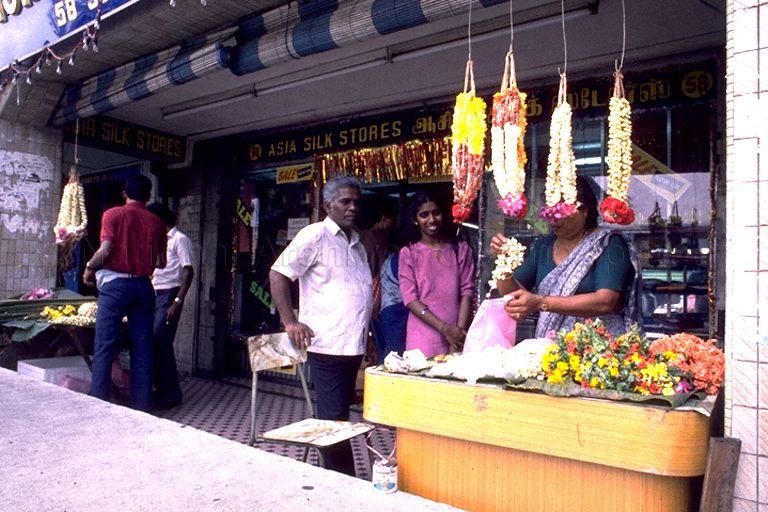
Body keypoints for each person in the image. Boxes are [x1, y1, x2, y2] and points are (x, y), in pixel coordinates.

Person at [269, 175, 372, 477]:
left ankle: (336, 478)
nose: (353, 207)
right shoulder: (315, 235)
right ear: (328, 205)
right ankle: (341, 482)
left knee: (337, 418)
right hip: (327, 344)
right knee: (332, 422)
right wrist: (290, 321)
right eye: (345, 201)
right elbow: (278, 274)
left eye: (356, 201)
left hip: (351, 346)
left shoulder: (357, 243)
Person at [492, 176, 641, 338]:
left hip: (599, 347)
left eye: (562, 213)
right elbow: (513, 296)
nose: (555, 221)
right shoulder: (543, 245)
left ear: (585, 211)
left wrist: (541, 302)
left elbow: (606, 301)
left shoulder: (609, 243)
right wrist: (503, 263)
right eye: (550, 214)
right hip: (551, 348)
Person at [83, 175, 167, 411]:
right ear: (149, 196)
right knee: (142, 348)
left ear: (124, 193)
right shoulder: (158, 223)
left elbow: (105, 249)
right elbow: (161, 263)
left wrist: (89, 267)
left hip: (115, 288)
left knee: (105, 345)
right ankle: (141, 405)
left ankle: (99, 400)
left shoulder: (112, 214)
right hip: (143, 287)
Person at [398, 192, 475, 357]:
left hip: (457, 333)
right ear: (415, 220)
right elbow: (410, 299)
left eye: (436, 213)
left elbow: (466, 292)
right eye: (424, 215)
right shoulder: (409, 253)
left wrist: (458, 334)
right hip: (422, 337)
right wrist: (444, 329)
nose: (432, 219)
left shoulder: (460, 249)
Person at [147, 203, 194, 410]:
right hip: (155, 294)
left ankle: (173, 393)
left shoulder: (180, 239)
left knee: (161, 339)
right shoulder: (157, 240)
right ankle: (162, 389)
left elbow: (188, 271)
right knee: (156, 342)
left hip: (170, 294)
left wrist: (178, 301)